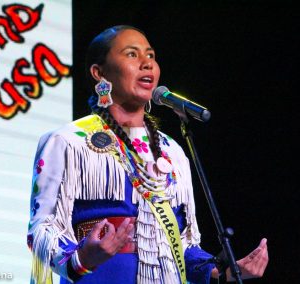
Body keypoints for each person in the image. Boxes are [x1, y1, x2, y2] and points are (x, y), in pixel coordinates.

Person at [27, 25, 269, 284]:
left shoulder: (172, 151)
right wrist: (81, 259)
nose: (147, 64)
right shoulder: (68, 142)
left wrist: (223, 272)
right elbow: (42, 229)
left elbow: (183, 245)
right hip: (100, 275)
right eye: (132, 54)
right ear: (100, 73)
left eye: (151, 56)